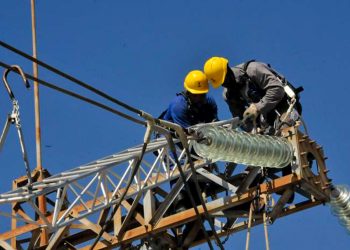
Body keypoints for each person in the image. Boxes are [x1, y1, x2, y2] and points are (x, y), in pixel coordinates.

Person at [203, 57, 302, 134]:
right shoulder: (229, 94)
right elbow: (241, 119)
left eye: (225, 79)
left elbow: (277, 90)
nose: (226, 84)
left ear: (228, 70)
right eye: (222, 83)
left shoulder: (253, 69)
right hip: (266, 119)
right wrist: (253, 131)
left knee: (285, 135)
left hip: (285, 106)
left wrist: (257, 107)